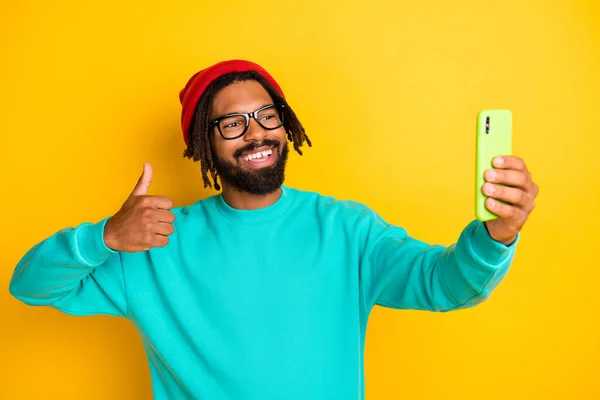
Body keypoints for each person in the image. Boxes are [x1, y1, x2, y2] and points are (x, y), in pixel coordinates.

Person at [8, 59, 538, 400]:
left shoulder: (347, 230)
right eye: (232, 123)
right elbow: (28, 284)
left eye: (267, 115)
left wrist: (497, 235)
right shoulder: (154, 243)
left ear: (286, 124)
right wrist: (103, 237)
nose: (256, 133)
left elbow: (443, 285)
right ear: (203, 144)